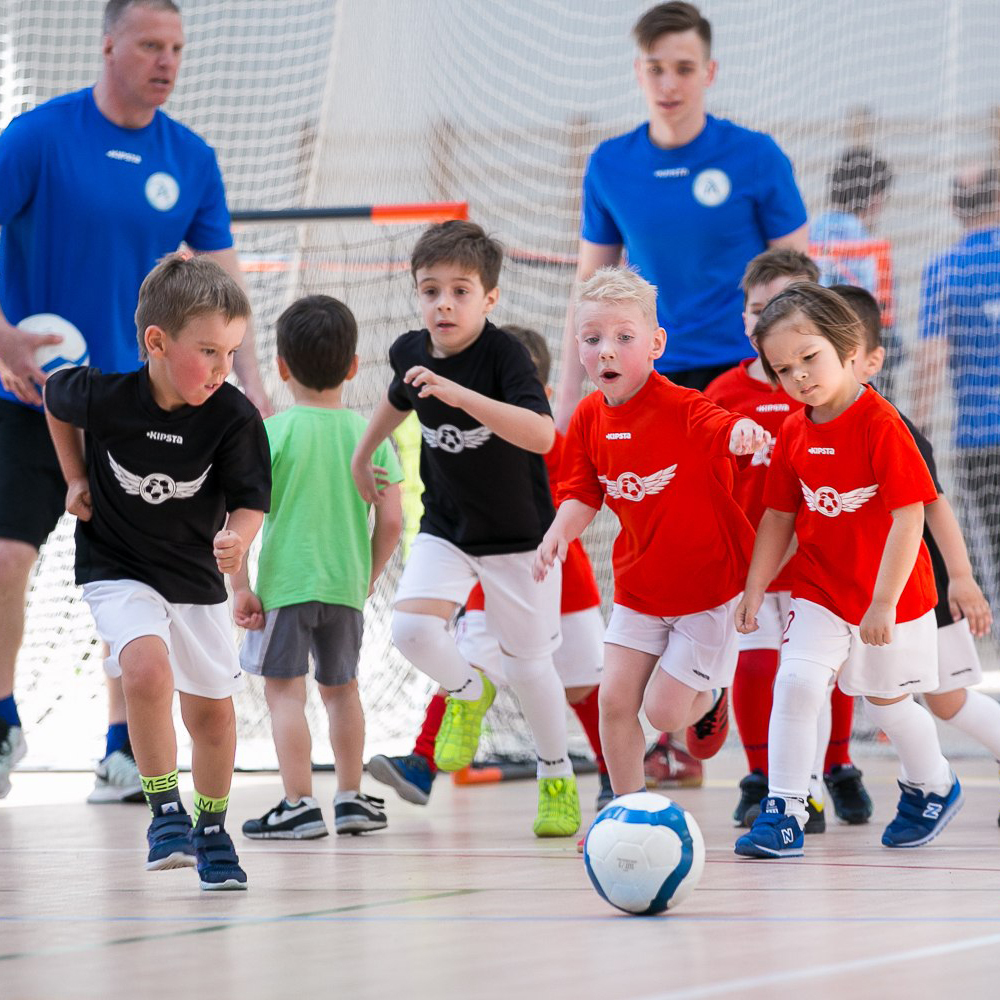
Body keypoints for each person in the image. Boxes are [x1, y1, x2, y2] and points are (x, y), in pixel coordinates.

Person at [0, 0, 270, 803]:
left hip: (148, 417)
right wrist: (5, 337)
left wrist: (253, 386)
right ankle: (4, 716)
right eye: (151, 44)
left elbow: (225, 288)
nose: (167, 60)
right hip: (32, 398)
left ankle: (123, 748)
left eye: (178, 48)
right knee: (9, 559)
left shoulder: (189, 157)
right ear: (109, 43)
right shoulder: (37, 138)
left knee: (144, 579)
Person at [43, 254, 270, 889]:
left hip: (195, 579)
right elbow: (53, 398)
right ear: (156, 342)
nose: (223, 367)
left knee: (214, 717)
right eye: (209, 351)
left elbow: (252, 499)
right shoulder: (106, 395)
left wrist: (238, 538)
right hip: (117, 565)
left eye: (232, 352)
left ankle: (213, 827)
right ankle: (165, 812)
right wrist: (75, 477)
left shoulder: (234, 415)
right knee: (143, 666)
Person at [351, 221, 581, 838]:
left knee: (532, 668)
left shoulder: (504, 356)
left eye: (459, 291)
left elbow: (542, 434)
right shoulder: (410, 349)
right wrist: (363, 450)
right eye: (430, 291)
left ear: (489, 298)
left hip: (519, 538)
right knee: (409, 627)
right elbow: (399, 394)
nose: (443, 304)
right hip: (448, 527)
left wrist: (459, 395)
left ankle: (555, 775)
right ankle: (467, 690)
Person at [734, 282, 962, 860]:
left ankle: (934, 783)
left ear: (846, 348)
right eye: (783, 369)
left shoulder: (883, 425)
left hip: (892, 597)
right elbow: (779, 516)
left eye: (809, 358)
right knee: (798, 681)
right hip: (820, 587)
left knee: (887, 703)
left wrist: (882, 604)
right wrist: (755, 586)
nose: (800, 377)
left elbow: (910, 519)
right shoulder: (794, 430)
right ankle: (783, 811)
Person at [535, 267, 769, 799]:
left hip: (708, 588)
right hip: (640, 588)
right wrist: (558, 533)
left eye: (624, 338)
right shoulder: (591, 417)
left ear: (656, 344)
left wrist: (743, 431)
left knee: (664, 711)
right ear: (578, 347)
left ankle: (710, 699)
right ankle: (627, 809)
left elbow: (720, 425)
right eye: (593, 340)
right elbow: (582, 492)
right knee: (613, 702)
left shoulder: (683, 407)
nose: (607, 353)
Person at [367, 325, 609, 811]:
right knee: (465, 664)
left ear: (532, 393)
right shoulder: (461, 431)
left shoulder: (554, 444)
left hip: (562, 580)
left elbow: (577, 503)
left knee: (582, 684)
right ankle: (423, 761)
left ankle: (612, 773)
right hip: (486, 579)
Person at [554, 0, 808, 427]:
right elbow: (587, 287)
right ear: (639, 72)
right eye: (656, 68)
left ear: (709, 73)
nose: (668, 84)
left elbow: (799, 278)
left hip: (749, 369)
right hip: (652, 371)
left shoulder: (756, 156)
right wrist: (564, 401)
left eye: (684, 69)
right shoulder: (609, 165)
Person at [705, 250, 874, 831]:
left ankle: (834, 768)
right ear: (745, 316)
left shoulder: (838, 401)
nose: (770, 317)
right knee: (757, 664)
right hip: (755, 556)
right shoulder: (723, 393)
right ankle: (761, 777)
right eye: (759, 308)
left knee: (825, 670)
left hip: (821, 560)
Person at [235, 296, 403, 840]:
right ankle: (351, 799)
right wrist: (368, 572)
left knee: (286, 692)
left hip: (285, 586)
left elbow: (242, 516)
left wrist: (240, 587)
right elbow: (393, 521)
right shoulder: (370, 435)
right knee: (342, 689)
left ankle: (298, 803)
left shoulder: (272, 434)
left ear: (281, 367)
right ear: (354, 366)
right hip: (345, 588)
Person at [835, 284, 1000, 823]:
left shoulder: (892, 425)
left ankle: (927, 787)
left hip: (921, 591)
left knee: (944, 700)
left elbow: (935, 508)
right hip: (868, 591)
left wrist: (962, 577)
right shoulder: (812, 427)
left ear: (869, 361)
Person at [915, 166, 1000, 612]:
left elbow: (931, 356)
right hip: (979, 435)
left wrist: (920, 427)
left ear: (954, 208)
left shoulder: (945, 268)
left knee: (993, 554)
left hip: (981, 437)